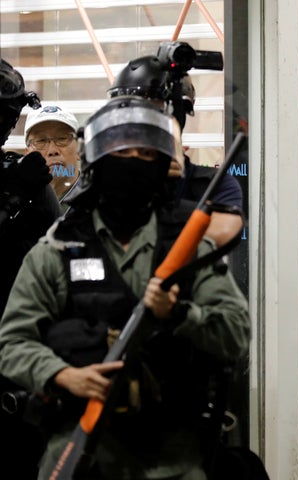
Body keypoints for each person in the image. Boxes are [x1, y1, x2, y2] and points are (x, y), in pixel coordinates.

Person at [0, 95, 250, 480]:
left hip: (173, 458)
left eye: (145, 154)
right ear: (98, 161)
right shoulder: (58, 248)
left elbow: (235, 335)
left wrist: (180, 314)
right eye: (121, 151)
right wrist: (61, 374)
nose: (132, 163)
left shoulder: (189, 249)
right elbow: (14, 342)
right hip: (77, 451)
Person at [108, 55, 244, 247]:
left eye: (151, 114)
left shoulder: (213, 185)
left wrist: (163, 199)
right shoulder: (104, 179)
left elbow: (221, 234)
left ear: (177, 116)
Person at [0, 57, 62, 480]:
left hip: (16, 352)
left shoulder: (21, 176)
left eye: (9, 116)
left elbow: (52, 261)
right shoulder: (16, 181)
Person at [24, 104, 80, 201]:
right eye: (41, 141)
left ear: (79, 149)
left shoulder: (101, 202)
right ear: (28, 154)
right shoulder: (16, 206)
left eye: (62, 138)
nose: (52, 151)